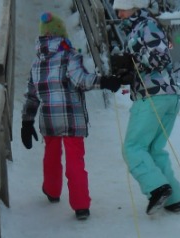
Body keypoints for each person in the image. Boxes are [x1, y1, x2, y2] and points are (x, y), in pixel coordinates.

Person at [21, 12, 121, 220]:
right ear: (61, 34)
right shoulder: (69, 56)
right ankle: (81, 205)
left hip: (49, 119)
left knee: (51, 155)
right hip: (71, 118)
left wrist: (27, 121)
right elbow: (81, 80)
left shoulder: (36, 64)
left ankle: (51, 190)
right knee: (75, 160)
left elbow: (32, 95)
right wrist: (104, 81)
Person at [113, 0, 180, 215]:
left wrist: (131, 60)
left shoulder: (146, 26)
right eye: (118, 10)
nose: (120, 14)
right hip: (165, 96)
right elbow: (146, 62)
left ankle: (157, 188)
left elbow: (160, 57)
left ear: (134, 7)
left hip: (153, 96)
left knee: (133, 148)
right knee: (153, 149)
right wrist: (127, 73)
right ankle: (173, 198)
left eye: (122, 9)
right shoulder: (141, 27)